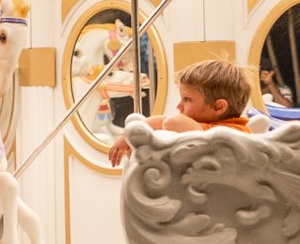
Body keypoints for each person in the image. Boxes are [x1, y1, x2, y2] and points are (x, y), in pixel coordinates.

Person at [108, 58, 254, 166]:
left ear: (218, 107)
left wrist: (138, 130)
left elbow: (171, 122)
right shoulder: (207, 127)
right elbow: (164, 121)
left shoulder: (233, 132)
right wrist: (128, 134)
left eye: (187, 99)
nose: (179, 106)